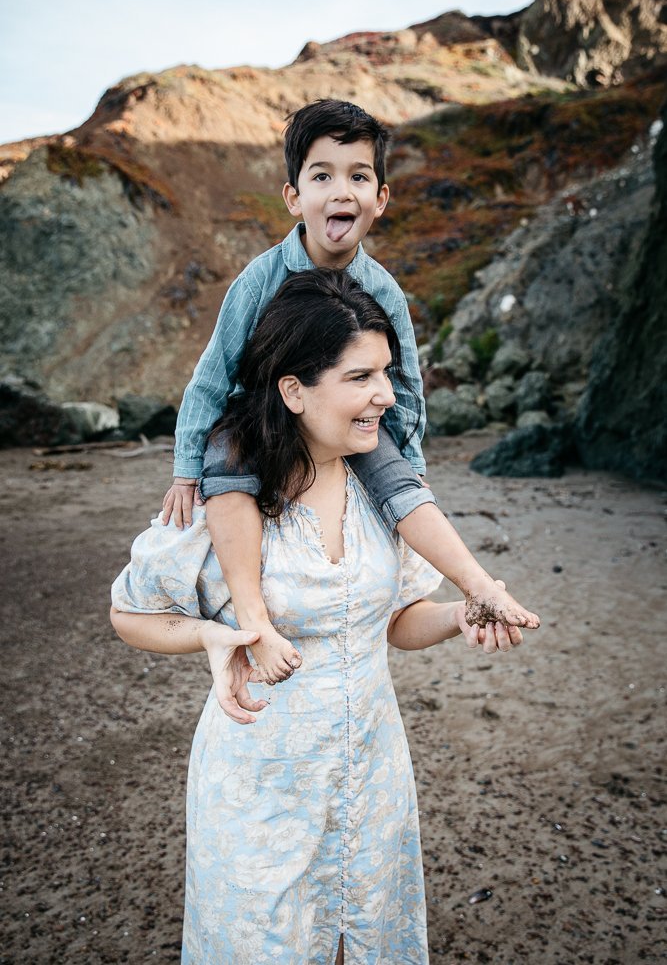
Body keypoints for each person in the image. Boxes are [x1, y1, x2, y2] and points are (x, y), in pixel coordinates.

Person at [111, 270, 530, 963]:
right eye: (360, 376)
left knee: (359, 941)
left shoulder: (380, 493)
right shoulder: (224, 506)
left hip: (371, 771)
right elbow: (130, 614)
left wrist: (456, 617)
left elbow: (398, 620)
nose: (384, 396)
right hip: (258, 790)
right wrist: (215, 634)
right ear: (294, 389)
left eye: (386, 374)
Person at [160, 98, 539, 687]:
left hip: (348, 423)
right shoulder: (257, 280)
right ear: (293, 197)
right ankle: (252, 613)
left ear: (380, 199)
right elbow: (212, 376)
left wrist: (410, 466)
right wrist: (187, 468)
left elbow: (404, 385)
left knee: (400, 484)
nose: (342, 191)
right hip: (257, 413)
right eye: (322, 176)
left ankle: (480, 585)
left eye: (359, 176)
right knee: (226, 468)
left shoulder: (383, 290)